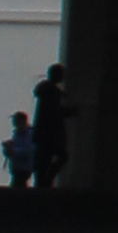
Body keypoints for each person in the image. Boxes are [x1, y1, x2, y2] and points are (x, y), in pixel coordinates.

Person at [26, 59, 73, 191]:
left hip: (43, 134)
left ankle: (44, 182)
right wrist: (70, 111)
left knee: (44, 162)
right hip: (50, 134)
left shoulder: (46, 90)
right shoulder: (51, 92)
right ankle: (45, 182)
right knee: (57, 157)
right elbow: (53, 111)